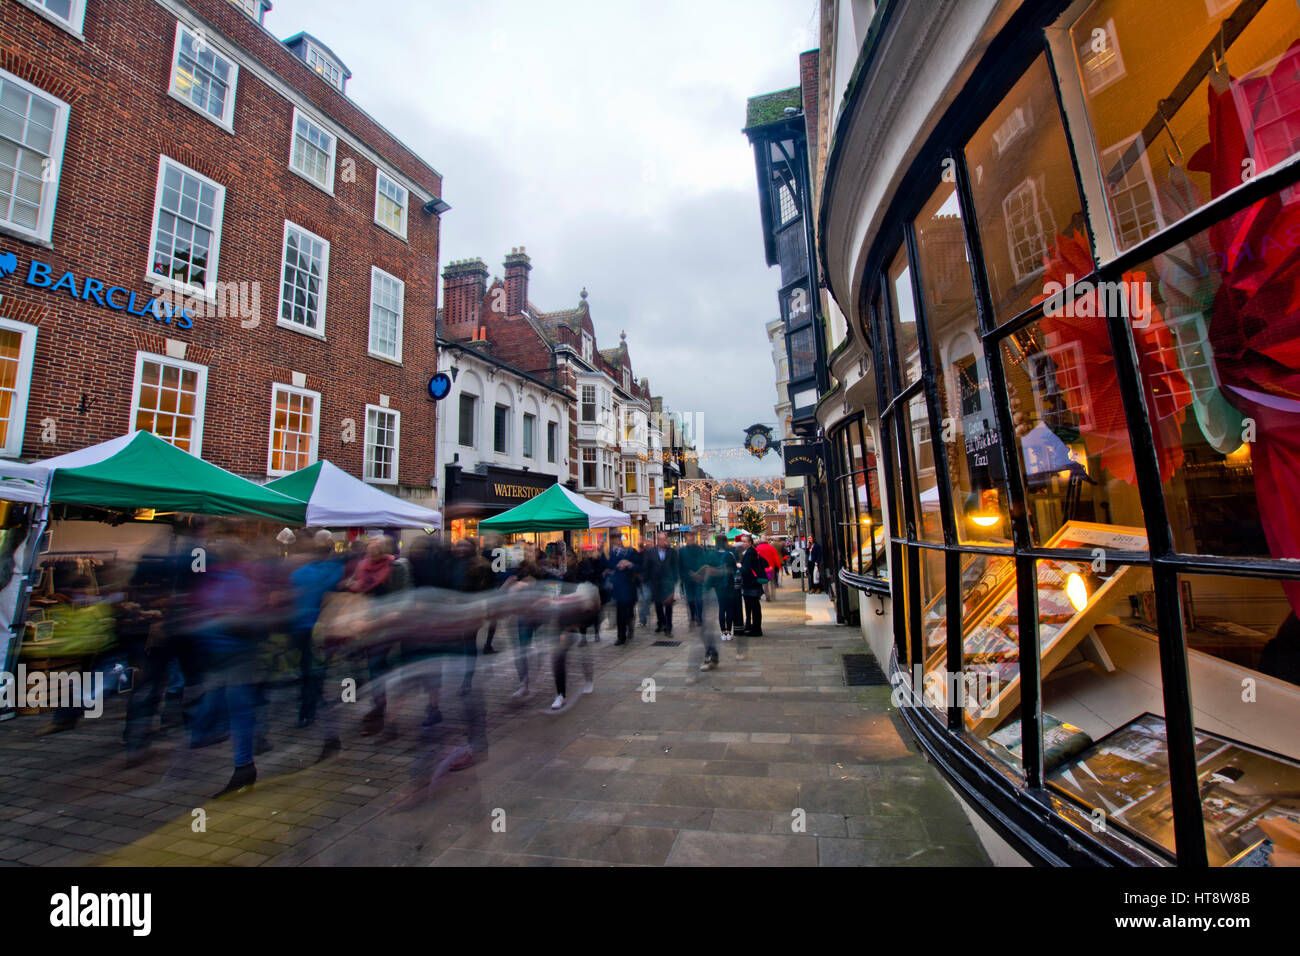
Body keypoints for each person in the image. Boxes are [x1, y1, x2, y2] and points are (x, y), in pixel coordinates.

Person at [642, 531, 680, 635]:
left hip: (668, 584)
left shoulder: (672, 552)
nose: (661, 541)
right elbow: (647, 567)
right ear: (657, 540)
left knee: (668, 606)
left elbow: (675, 567)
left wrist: (675, 581)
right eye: (659, 539)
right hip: (656, 584)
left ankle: (668, 627)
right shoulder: (651, 552)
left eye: (663, 539)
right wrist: (645, 580)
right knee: (658, 605)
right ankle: (661, 623)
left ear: (666, 540)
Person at [607, 535, 641, 645]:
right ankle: (621, 636)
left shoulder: (631, 551)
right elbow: (610, 568)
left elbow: (639, 567)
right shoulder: (611, 553)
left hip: (629, 586)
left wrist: (629, 564)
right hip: (618, 587)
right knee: (620, 613)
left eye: (618, 539)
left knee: (629, 611)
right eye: (614, 539)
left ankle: (630, 625)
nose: (616, 541)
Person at [736, 534, 769, 639]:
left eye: (745, 541)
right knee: (752, 606)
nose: (743, 543)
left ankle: (756, 629)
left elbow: (746, 568)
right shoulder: (750, 551)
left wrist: (739, 567)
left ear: (750, 542)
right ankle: (752, 626)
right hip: (752, 582)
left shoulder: (750, 552)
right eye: (742, 541)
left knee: (754, 606)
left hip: (751, 583)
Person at [680, 535, 706, 628]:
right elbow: (680, 565)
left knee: (699, 599)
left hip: (698, 578)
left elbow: (704, 563)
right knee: (690, 599)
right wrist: (683, 577)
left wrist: (701, 575)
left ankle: (699, 618)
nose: (690, 541)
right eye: (688, 539)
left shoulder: (699, 549)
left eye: (691, 539)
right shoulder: (682, 551)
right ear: (686, 540)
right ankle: (692, 616)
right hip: (688, 579)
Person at [756, 537, 782, 601]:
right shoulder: (771, 547)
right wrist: (779, 566)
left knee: (765, 583)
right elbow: (775, 557)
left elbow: (756, 558)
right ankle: (773, 596)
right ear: (767, 541)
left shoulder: (758, 548)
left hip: (762, 569)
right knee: (772, 582)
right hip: (770, 568)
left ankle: (768, 597)